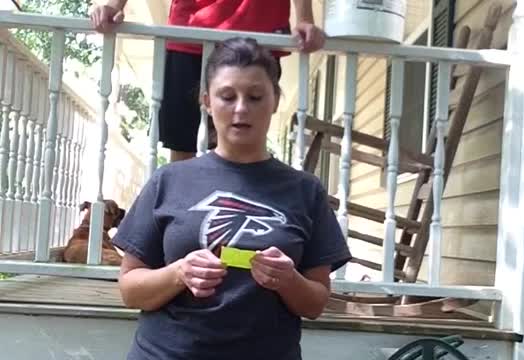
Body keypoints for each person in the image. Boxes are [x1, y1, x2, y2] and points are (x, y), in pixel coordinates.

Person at [111, 37, 351, 360]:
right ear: (207, 102)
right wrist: (179, 272)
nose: (241, 109)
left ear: (275, 100)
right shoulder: (169, 180)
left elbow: (316, 303)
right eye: (227, 96)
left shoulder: (306, 191)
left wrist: (289, 280)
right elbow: (129, 289)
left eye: (255, 96)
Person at [91, 0, 325, 162]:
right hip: (191, 34)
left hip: (260, 34)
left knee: (244, 146)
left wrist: (305, 18)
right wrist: (114, 6)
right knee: (184, 152)